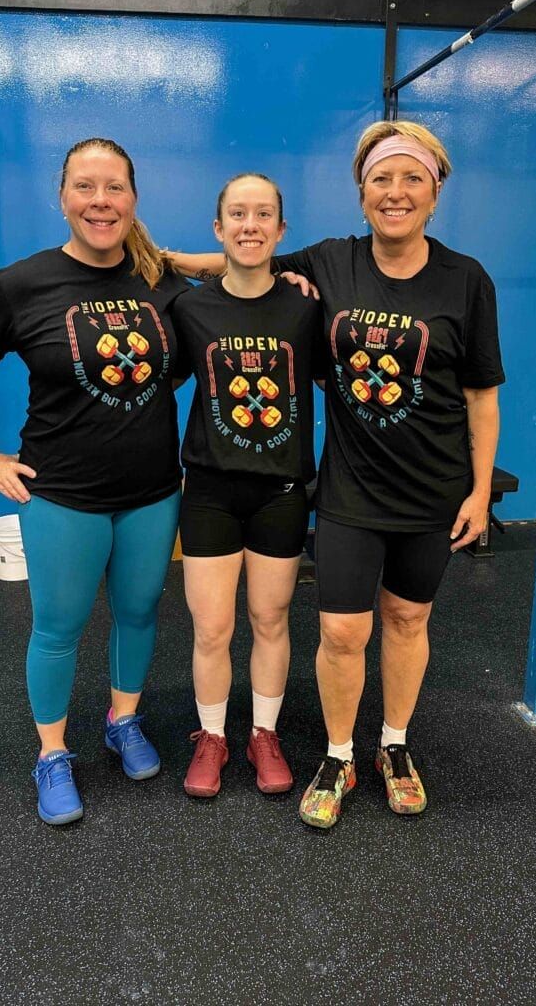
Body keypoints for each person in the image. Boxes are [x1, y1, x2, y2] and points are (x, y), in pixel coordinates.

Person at [164, 121, 505, 828]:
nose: (396, 192)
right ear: (362, 193)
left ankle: (396, 746)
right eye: (382, 179)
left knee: (408, 619)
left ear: (435, 193)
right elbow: (242, 262)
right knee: (344, 634)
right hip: (349, 489)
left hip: (433, 491)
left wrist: (477, 490)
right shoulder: (330, 262)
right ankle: (340, 753)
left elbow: (480, 395)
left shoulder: (466, 279)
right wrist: (159, 258)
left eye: (412, 178)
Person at [0, 137, 189, 826]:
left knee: (140, 612)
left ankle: (124, 720)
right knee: (58, 628)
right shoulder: (21, 284)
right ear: (63, 197)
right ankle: (52, 754)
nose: (100, 201)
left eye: (114, 187)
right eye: (86, 186)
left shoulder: (161, 281)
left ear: (133, 199)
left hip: (152, 491)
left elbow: (228, 297)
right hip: (63, 494)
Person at [171, 174, 325, 798]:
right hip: (209, 489)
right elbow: (148, 382)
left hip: (281, 491)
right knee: (211, 628)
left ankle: (264, 733)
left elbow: (336, 385)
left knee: (270, 617)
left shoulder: (307, 307)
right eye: (238, 213)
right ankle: (212, 736)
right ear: (219, 228)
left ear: (281, 231)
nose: (250, 224)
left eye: (264, 214)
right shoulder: (190, 308)